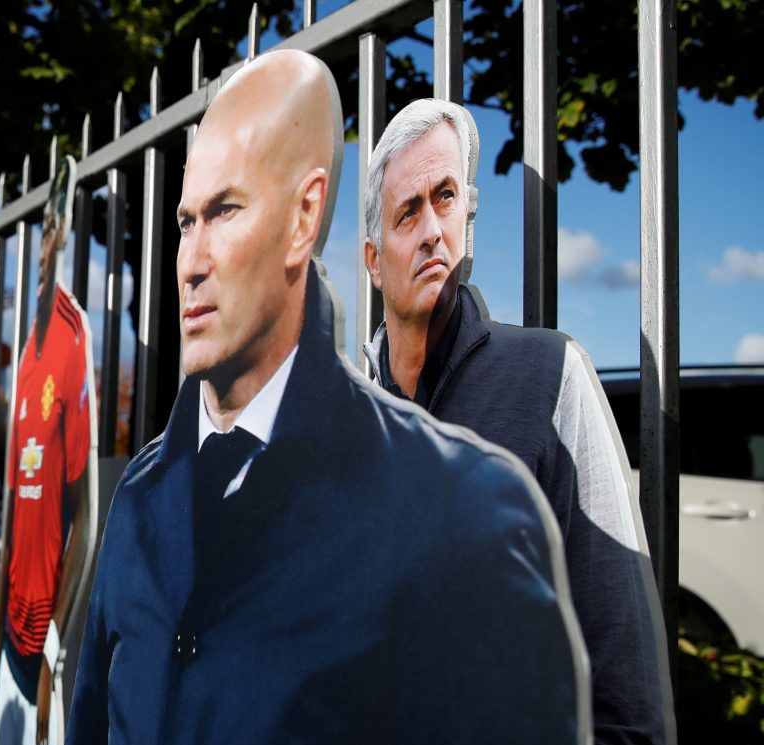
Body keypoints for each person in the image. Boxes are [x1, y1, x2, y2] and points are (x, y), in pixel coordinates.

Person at [66, 50, 589, 743]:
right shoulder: (137, 498)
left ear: (303, 217)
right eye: (187, 222)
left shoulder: (470, 505)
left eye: (225, 210)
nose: (190, 262)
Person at [362, 98, 674, 744]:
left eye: (446, 198)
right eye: (408, 211)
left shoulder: (550, 376)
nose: (432, 231)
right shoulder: (343, 420)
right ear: (372, 260)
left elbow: (628, 699)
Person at [0, 158, 98, 745]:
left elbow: (84, 512)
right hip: (11, 637)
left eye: (54, 225)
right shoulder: (27, 350)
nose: (42, 243)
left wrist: (55, 644)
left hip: (46, 641)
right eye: (41, 227)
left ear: (65, 233)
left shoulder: (72, 334)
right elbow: (13, 515)